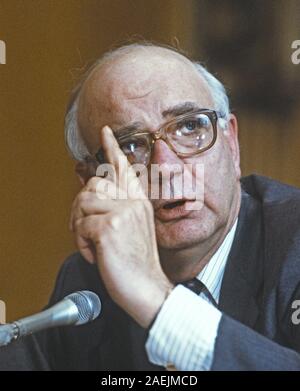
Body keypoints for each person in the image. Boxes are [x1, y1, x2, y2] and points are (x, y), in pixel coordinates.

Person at [1, 42, 300, 371]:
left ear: (231, 143)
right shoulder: (90, 279)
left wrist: (156, 300)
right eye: (130, 146)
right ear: (92, 181)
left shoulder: (292, 246)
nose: (167, 167)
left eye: (190, 127)